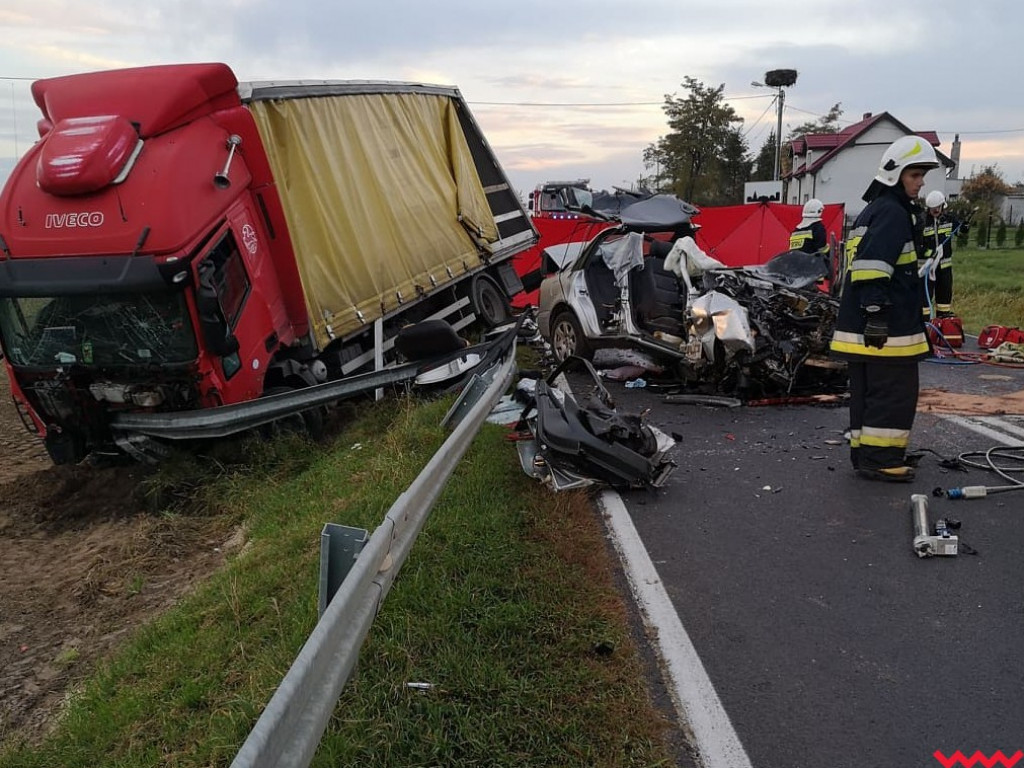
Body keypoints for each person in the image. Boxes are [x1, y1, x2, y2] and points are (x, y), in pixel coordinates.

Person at [829, 135, 938, 482]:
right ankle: (881, 460)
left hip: (862, 324)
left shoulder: (874, 209)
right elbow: (873, 267)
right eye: (915, 175)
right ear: (895, 174)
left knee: (868, 393)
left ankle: (867, 455)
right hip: (885, 328)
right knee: (894, 393)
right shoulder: (892, 213)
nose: (920, 183)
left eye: (922, 176)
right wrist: (876, 314)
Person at [920, 190, 968, 318]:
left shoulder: (949, 220)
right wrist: (930, 253)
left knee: (944, 297)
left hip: (944, 268)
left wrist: (964, 228)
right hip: (927, 268)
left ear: (942, 206)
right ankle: (924, 324)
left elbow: (960, 231)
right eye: (932, 208)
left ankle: (943, 320)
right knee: (924, 299)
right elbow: (917, 245)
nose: (935, 210)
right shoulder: (922, 222)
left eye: (938, 207)